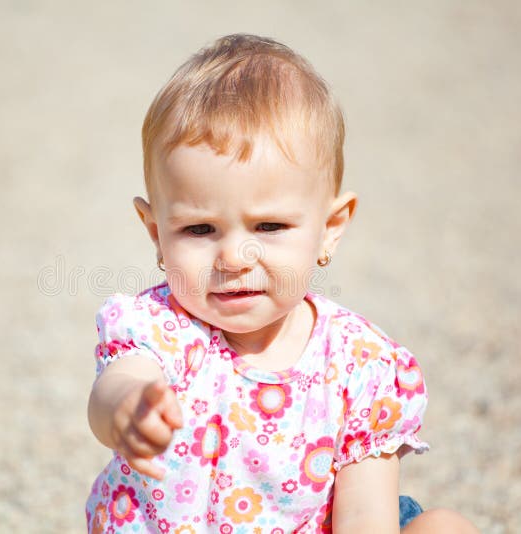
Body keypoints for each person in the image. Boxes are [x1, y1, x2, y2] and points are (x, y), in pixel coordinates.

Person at [86, 34, 478, 533]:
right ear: (156, 233)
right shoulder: (160, 329)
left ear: (329, 228)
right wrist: (127, 407)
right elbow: (118, 381)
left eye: (269, 227)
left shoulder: (360, 366)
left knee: (444, 527)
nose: (233, 256)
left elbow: (364, 516)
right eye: (199, 229)